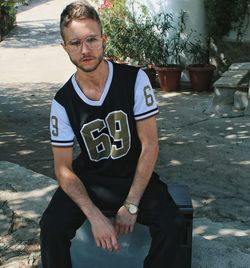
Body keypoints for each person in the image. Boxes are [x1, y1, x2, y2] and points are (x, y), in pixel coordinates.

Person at [39, 1, 182, 267]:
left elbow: (150, 145)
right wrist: (93, 216)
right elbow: (63, 170)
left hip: (133, 175)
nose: (85, 50)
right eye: (75, 43)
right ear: (64, 47)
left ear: (104, 39)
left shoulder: (135, 80)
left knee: (172, 223)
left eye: (92, 39)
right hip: (91, 179)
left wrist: (131, 204)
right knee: (51, 226)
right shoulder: (62, 101)